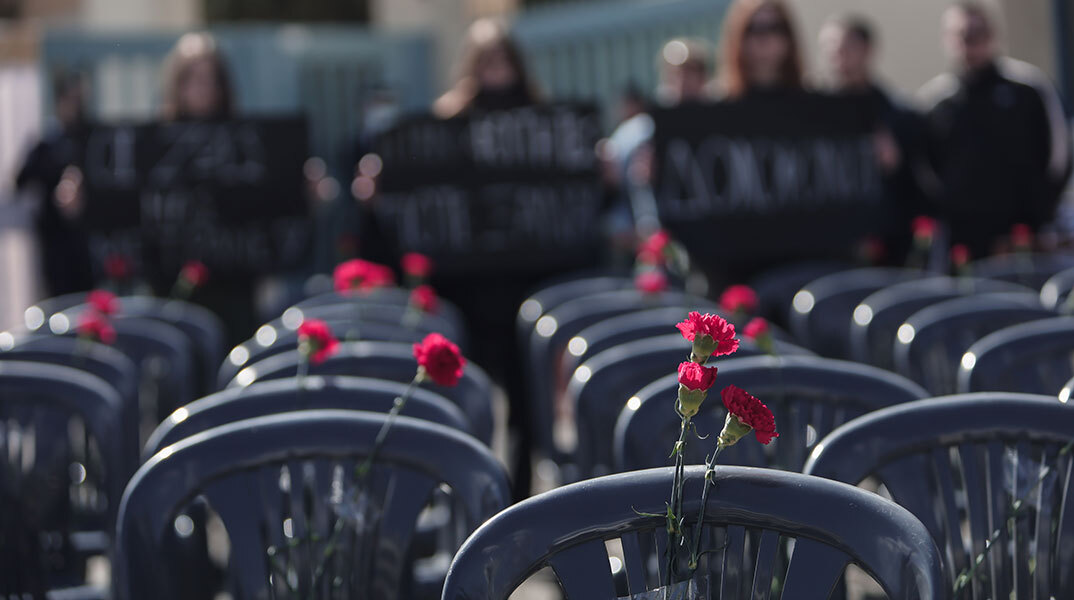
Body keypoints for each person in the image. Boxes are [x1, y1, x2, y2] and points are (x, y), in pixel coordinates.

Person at [919, 1, 1071, 256]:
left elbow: (1059, 156)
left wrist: (1040, 215)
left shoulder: (1030, 89)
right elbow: (926, 172)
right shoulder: (934, 103)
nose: (970, 43)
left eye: (978, 34)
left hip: (1027, 236)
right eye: (962, 35)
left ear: (994, 35)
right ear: (947, 40)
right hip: (964, 242)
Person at [819, 14, 930, 264]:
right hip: (832, 244)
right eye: (830, 50)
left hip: (887, 244)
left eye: (846, 49)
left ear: (867, 50)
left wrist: (895, 164)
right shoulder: (814, 113)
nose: (838, 59)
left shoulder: (898, 113)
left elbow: (919, 188)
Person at [15, 72, 94, 296]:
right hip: (55, 239)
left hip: (84, 240)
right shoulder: (47, 142)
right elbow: (21, 181)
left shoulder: (88, 137)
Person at [433, 18, 541, 118]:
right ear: (473, 65)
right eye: (489, 62)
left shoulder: (533, 102)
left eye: (504, 60)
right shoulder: (457, 108)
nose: (498, 68)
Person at [717, 0, 804, 99]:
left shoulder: (816, 107)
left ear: (789, 37)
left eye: (774, 28)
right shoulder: (719, 109)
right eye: (752, 29)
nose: (764, 39)